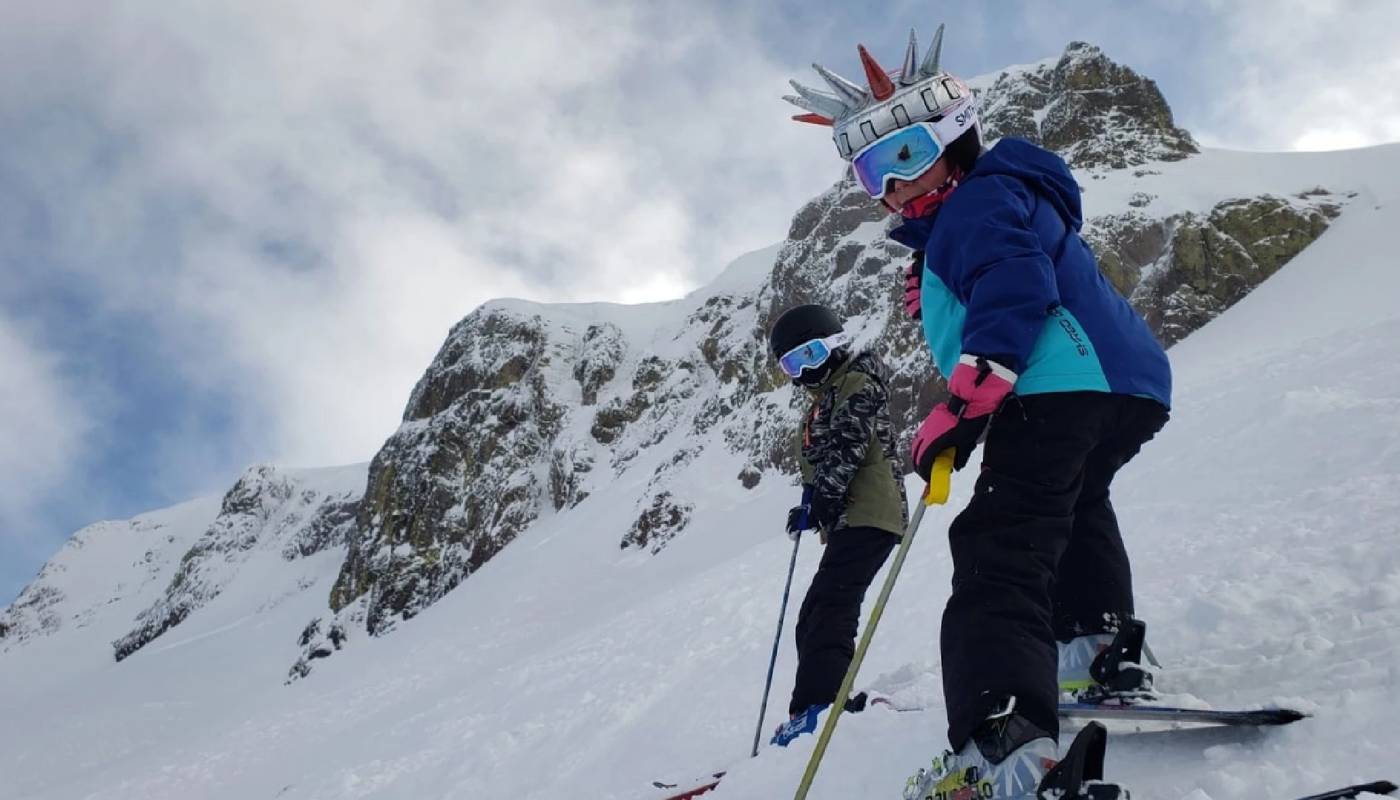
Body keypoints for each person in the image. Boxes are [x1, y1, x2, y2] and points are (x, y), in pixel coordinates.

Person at [784, 23, 1171, 800]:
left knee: (999, 546)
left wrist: (967, 395)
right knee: (1073, 506)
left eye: (905, 156)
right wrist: (940, 275)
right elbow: (1014, 266)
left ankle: (1003, 746)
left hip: (1054, 387)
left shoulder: (977, 202)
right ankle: (1096, 643)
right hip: (1127, 388)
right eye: (871, 175)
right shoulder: (998, 201)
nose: (892, 187)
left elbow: (1014, 282)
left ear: (954, 136)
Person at [766, 303, 908, 746]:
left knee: (830, 608)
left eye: (810, 355)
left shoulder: (857, 383)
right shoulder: (826, 396)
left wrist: (823, 499)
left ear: (833, 345)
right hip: (853, 517)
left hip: (871, 513)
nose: (804, 371)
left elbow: (849, 446)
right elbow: (825, 459)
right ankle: (821, 704)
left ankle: (822, 706)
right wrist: (810, 501)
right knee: (815, 613)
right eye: (793, 364)